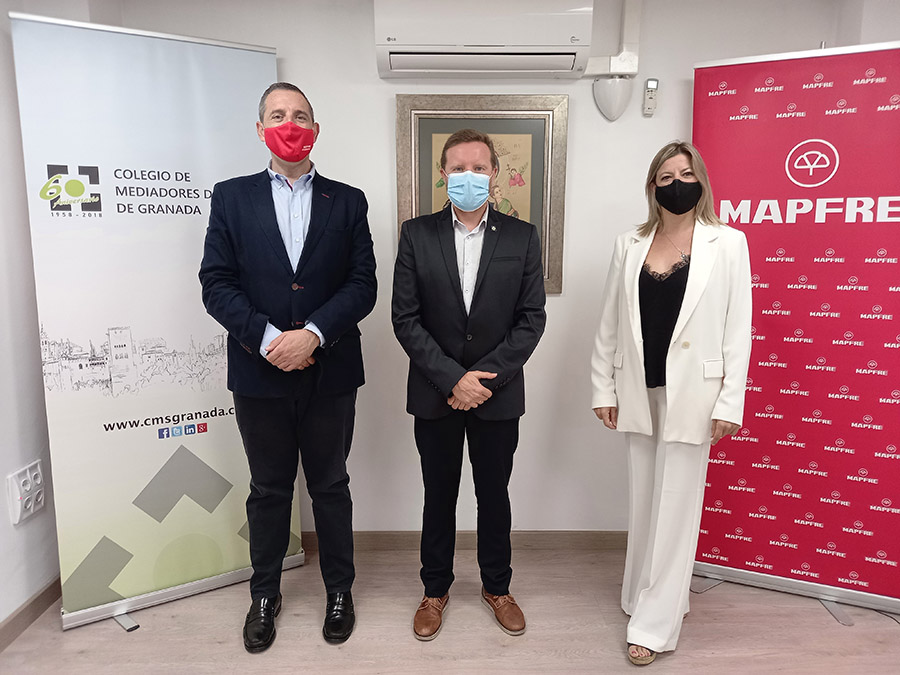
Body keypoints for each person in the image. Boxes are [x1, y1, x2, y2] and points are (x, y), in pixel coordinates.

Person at [199, 82, 376, 652]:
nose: (289, 124)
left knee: (331, 486)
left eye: (300, 116)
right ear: (260, 130)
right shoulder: (231, 197)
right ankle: (265, 594)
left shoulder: (348, 201)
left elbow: (363, 284)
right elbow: (215, 283)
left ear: (315, 130)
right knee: (269, 489)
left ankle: (339, 591)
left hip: (330, 371)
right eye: (277, 115)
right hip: (260, 371)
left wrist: (314, 335)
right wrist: (272, 339)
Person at [590, 141, 751, 666]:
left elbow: (738, 328)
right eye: (665, 177)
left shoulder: (728, 243)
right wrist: (603, 388)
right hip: (639, 389)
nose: (676, 183)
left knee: (678, 506)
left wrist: (729, 402)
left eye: (685, 174)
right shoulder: (630, 243)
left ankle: (654, 626)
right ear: (652, 187)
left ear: (700, 181)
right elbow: (610, 322)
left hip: (697, 395)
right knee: (646, 501)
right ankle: (642, 595)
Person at [392, 129, 546, 641]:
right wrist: (452, 379)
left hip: (496, 396)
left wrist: (483, 381)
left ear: (494, 173)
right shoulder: (416, 234)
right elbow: (405, 318)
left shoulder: (521, 237)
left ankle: (497, 587)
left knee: (493, 495)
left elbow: (531, 319)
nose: (469, 176)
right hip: (435, 392)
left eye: (479, 168)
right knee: (438, 494)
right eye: (458, 168)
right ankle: (434, 590)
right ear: (443, 174)